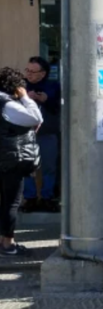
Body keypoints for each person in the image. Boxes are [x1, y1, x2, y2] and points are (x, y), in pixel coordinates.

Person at [0, 68, 43, 255]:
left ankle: (3, 240)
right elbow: (36, 117)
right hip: (9, 159)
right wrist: (25, 97)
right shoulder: (6, 104)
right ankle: (7, 244)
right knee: (11, 201)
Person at [22, 56, 61, 212]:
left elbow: (55, 105)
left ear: (43, 73)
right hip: (25, 134)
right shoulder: (21, 86)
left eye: (33, 71)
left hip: (47, 133)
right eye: (28, 70)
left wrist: (43, 98)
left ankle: (47, 198)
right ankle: (30, 198)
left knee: (49, 167)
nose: (29, 74)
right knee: (27, 167)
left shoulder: (53, 86)